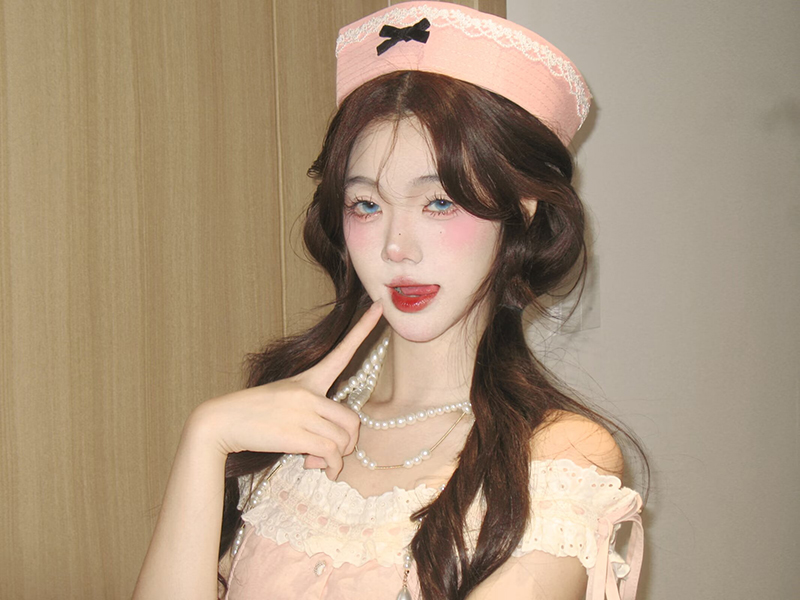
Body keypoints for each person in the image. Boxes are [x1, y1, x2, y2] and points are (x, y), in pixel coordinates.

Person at [133, 3, 645, 599]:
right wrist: (205, 438)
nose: (396, 247)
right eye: (367, 205)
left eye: (439, 203)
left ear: (522, 209)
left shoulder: (556, 458)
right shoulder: (286, 420)